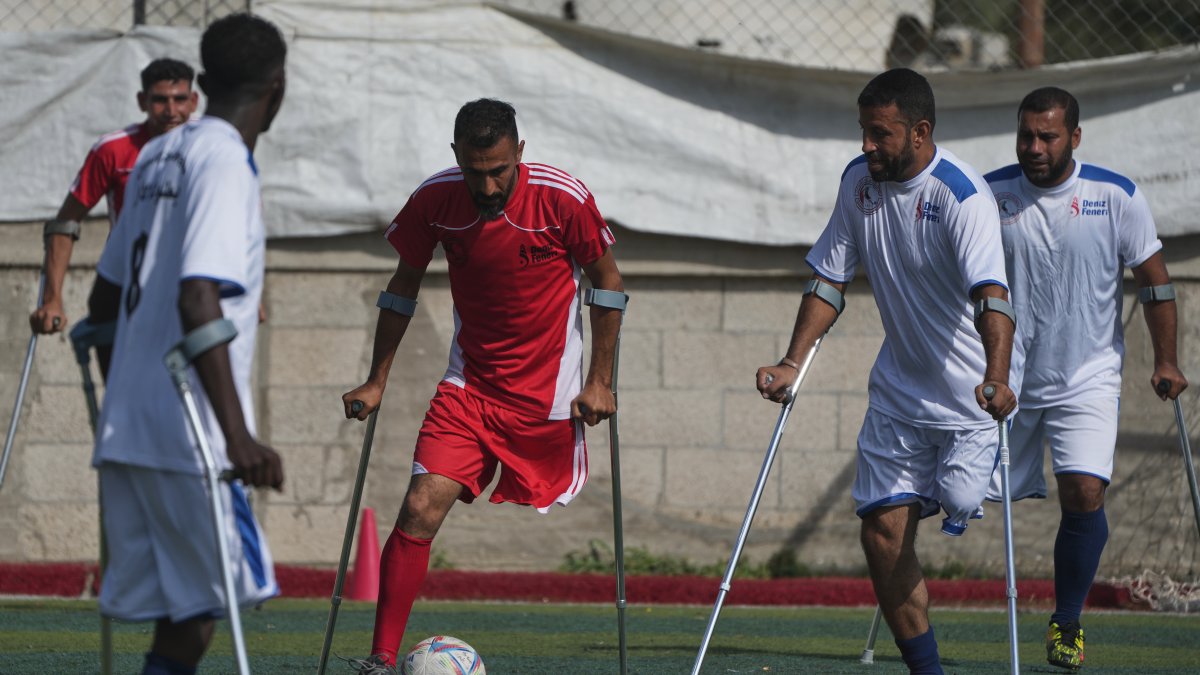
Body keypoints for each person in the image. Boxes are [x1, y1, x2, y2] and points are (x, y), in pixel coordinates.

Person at [340, 98, 625, 672]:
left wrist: (599, 380)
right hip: (467, 390)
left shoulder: (562, 198)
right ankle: (380, 659)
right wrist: (376, 380)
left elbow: (609, 285)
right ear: (456, 157)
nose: (489, 186)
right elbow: (402, 287)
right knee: (419, 507)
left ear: (519, 152)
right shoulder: (435, 199)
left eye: (499, 170)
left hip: (545, 401)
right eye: (476, 172)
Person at [756, 68, 1017, 674]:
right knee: (881, 533)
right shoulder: (858, 182)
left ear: (920, 132)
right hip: (899, 389)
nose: (866, 145)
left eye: (880, 134)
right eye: (862, 132)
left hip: (970, 395)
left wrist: (998, 376)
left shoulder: (961, 194)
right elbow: (828, 277)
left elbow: (992, 296)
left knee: (958, 497)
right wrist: (792, 359)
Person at [84, 13, 287, 675]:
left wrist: (128, 395)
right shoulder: (225, 159)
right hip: (192, 435)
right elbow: (199, 294)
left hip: (130, 429)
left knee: (185, 618)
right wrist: (238, 435)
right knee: (213, 604)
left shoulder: (153, 156)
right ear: (276, 88)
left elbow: (103, 302)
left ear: (201, 83)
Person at [984, 86, 1186, 671]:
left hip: (1088, 374)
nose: (1034, 147)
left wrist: (1165, 359)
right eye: (1026, 134)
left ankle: (1066, 623)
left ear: (1075, 137)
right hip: (1007, 377)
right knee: (961, 495)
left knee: (1085, 492)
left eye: (1047, 136)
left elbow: (1156, 281)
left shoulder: (1114, 195)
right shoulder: (990, 193)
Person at [29, 57, 198, 336]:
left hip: (189, 279)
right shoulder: (114, 150)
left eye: (180, 100)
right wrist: (52, 299)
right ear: (142, 101)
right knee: (125, 377)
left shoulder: (210, 144)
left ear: (193, 101)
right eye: (159, 100)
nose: (171, 111)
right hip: (127, 281)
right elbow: (65, 224)